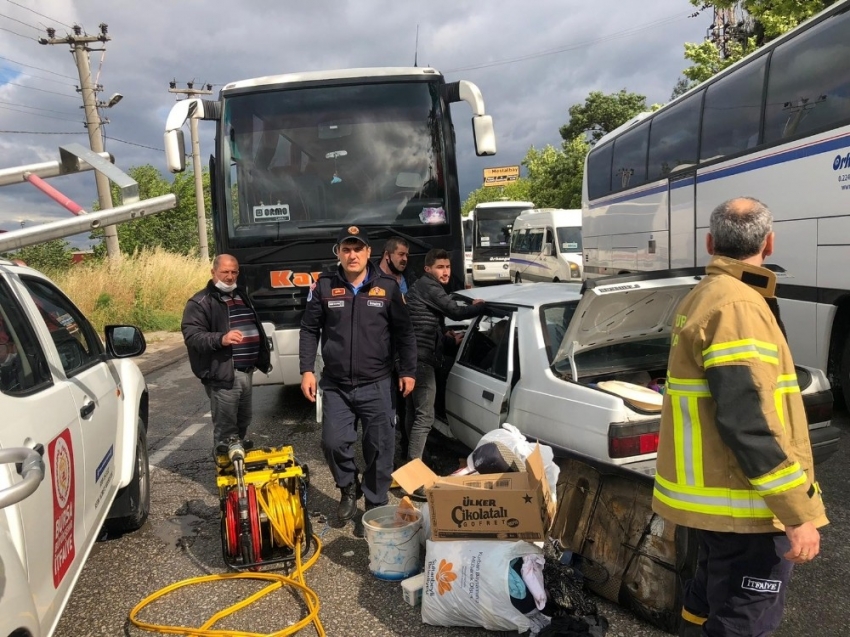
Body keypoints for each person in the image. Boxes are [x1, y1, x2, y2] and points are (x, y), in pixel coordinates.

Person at [651, 197, 827, 637]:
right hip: (747, 508)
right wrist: (796, 513)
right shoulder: (741, 307)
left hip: (719, 505)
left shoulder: (706, 297)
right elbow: (747, 421)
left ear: (710, 242)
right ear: (769, 243)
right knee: (743, 621)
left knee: (704, 601)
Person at [299, 226, 417, 533]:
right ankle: (348, 487)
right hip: (336, 384)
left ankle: (374, 507)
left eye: (358, 249)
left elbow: (405, 333)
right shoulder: (324, 286)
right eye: (346, 249)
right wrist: (307, 370)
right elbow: (310, 330)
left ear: (369, 253)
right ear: (338, 252)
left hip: (378, 383)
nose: (353, 255)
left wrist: (408, 371)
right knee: (333, 442)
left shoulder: (388, 287)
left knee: (380, 447)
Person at [181, 254, 271, 456]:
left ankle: (238, 471)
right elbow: (193, 337)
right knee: (227, 432)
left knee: (242, 423)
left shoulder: (241, 295)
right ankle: (225, 479)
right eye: (225, 272)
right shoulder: (200, 302)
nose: (230, 276)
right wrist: (221, 338)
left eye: (234, 272)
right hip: (223, 374)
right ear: (213, 272)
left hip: (246, 372)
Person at [405, 248, 486, 472]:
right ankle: (415, 472)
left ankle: (410, 462)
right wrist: (480, 307)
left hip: (411, 357)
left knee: (413, 415)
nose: (445, 272)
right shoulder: (429, 285)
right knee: (424, 417)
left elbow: (426, 326)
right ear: (428, 269)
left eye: (448, 267)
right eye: (440, 267)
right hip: (421, 360)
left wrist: (448, 341)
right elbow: (456, 312)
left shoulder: (423, 287)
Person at [377, 237, 416, 465]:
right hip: (382, 358)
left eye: (407, 255)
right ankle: (382, 460)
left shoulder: (407, 279)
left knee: (405, 407)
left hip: (403, 356)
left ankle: (404, 452)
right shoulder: (373, 279)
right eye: (401, 254)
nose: (404, 259)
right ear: (387, 254)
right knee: (384, 412)